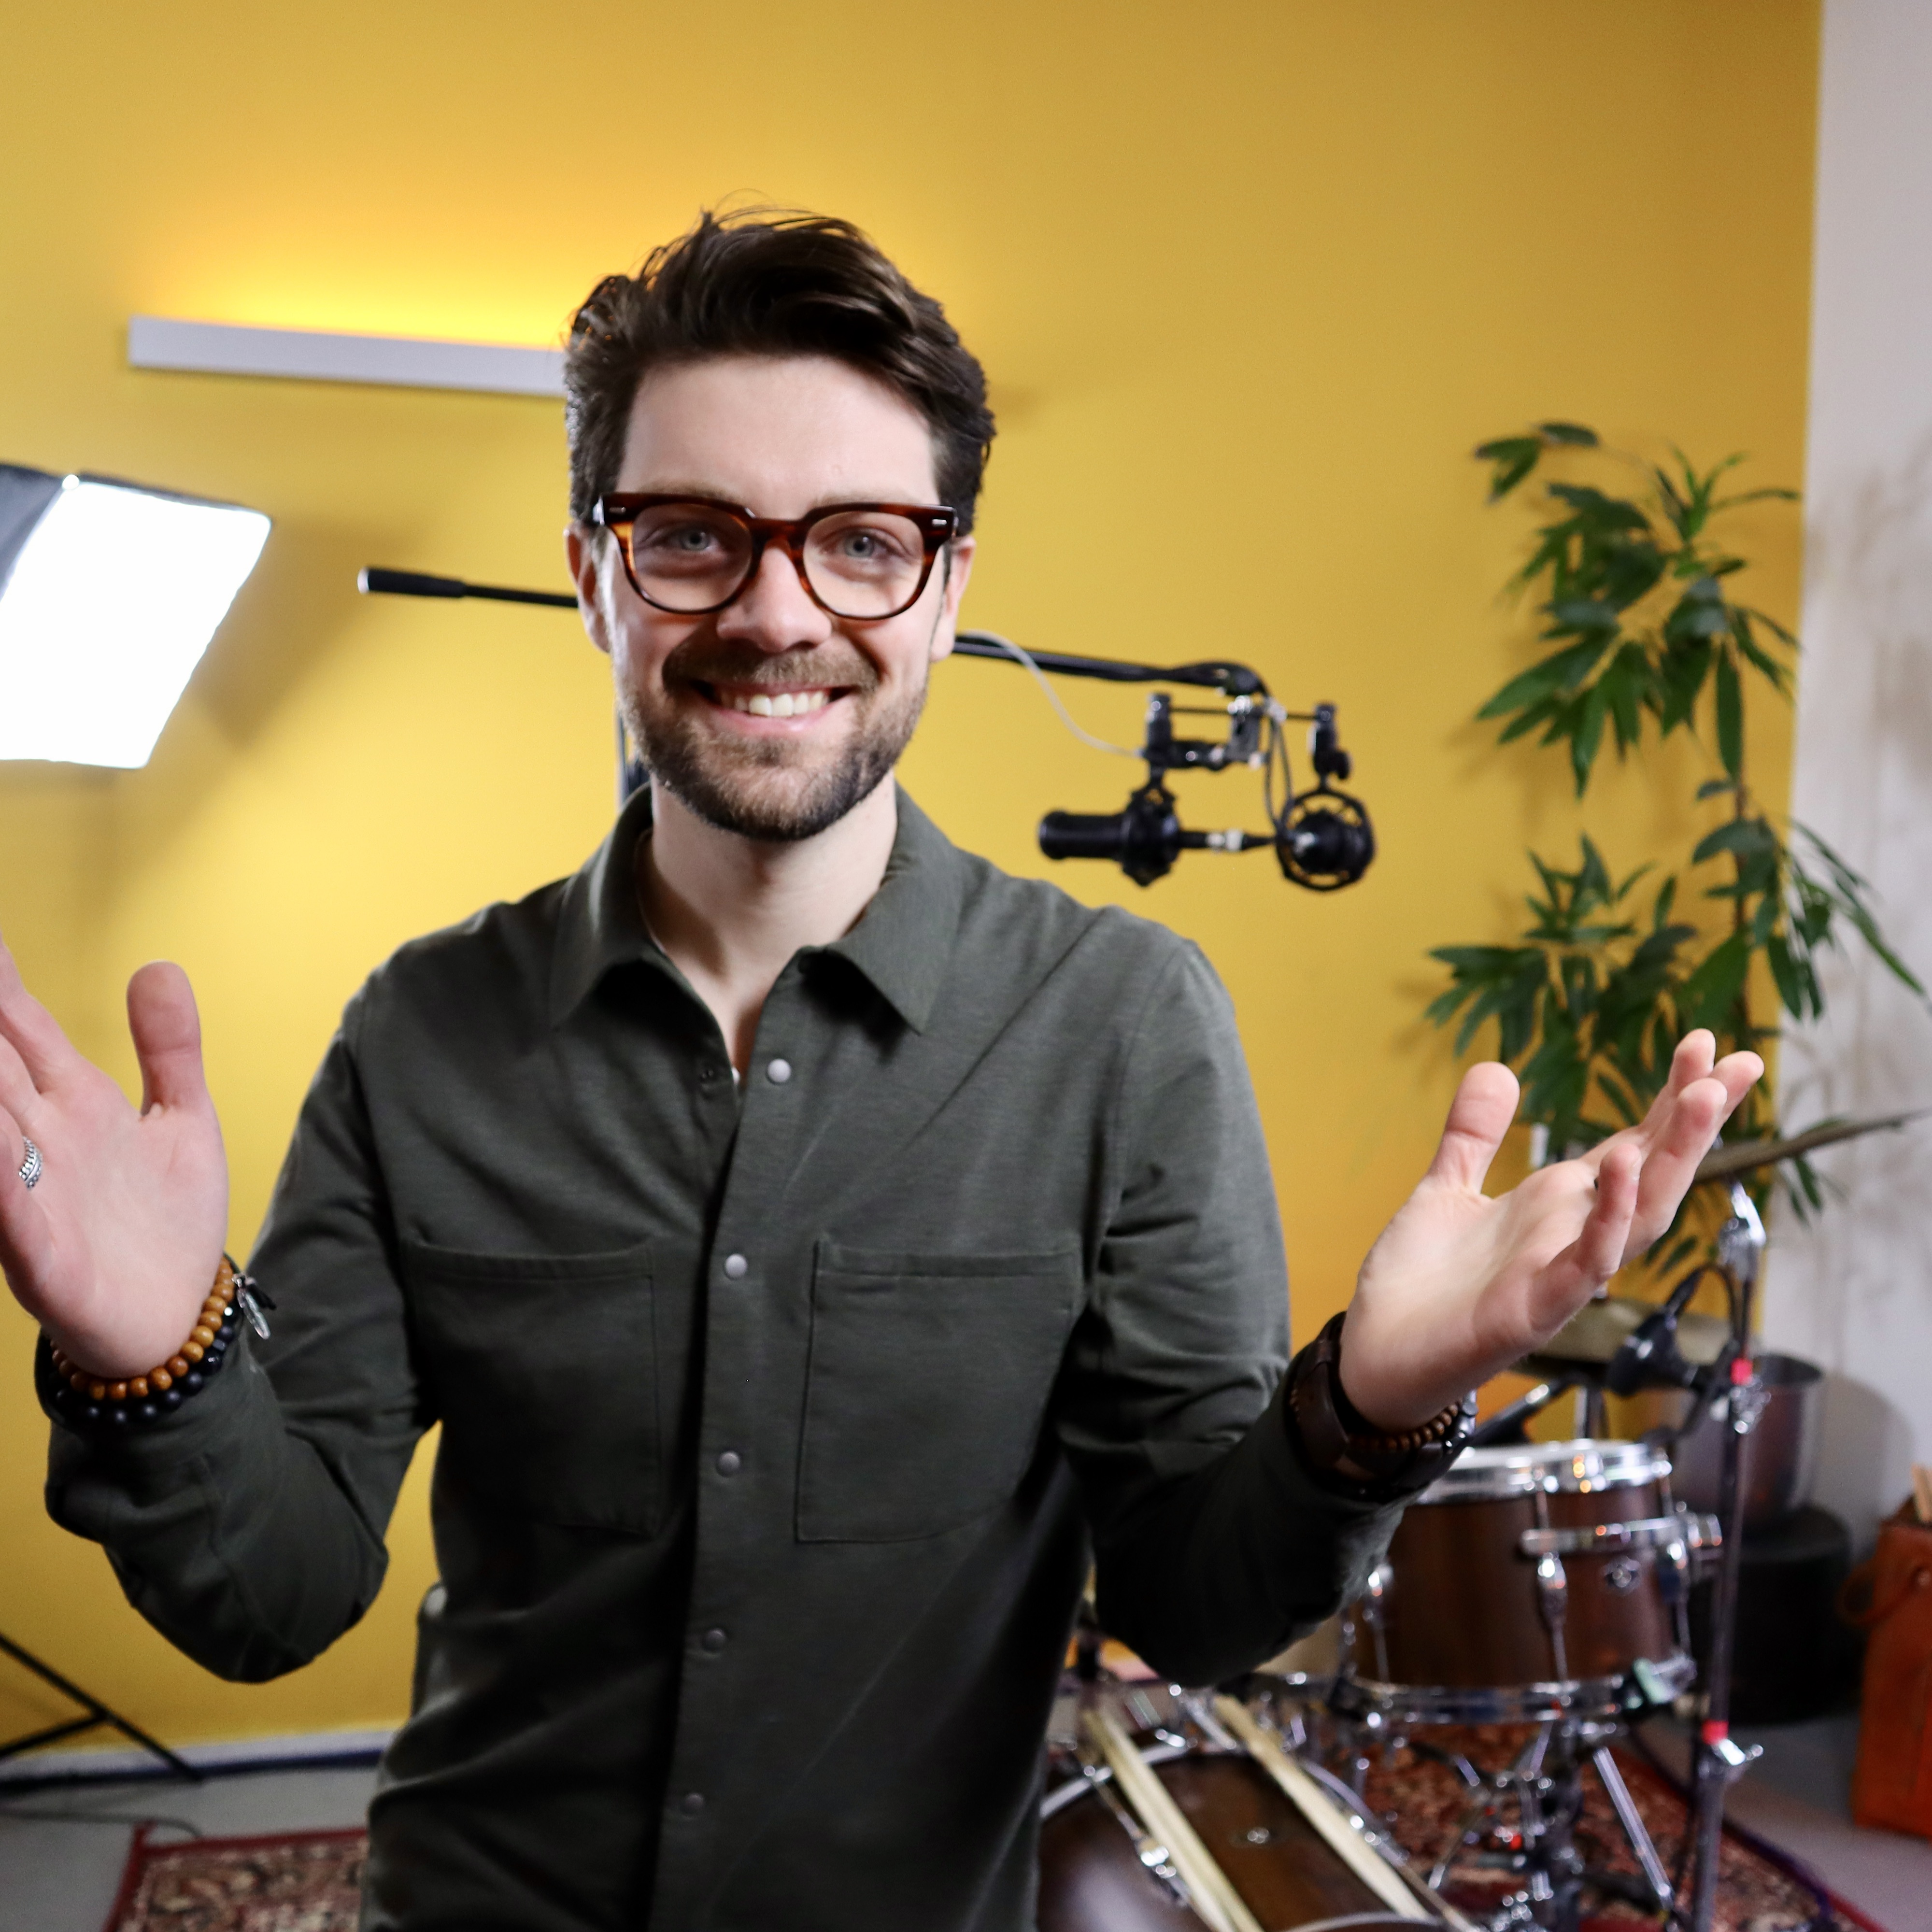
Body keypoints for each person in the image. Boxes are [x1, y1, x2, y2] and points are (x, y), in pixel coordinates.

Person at [0, 211, 1759, 1932]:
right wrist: (154, 1358)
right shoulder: (424, 1032)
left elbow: (1197, 1609)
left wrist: (1372, 1403)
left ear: (948, 582)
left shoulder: (1124, 1026)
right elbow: (277, 1598)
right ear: (594, 569)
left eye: (859, 541)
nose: (779, 611)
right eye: (693, 534)